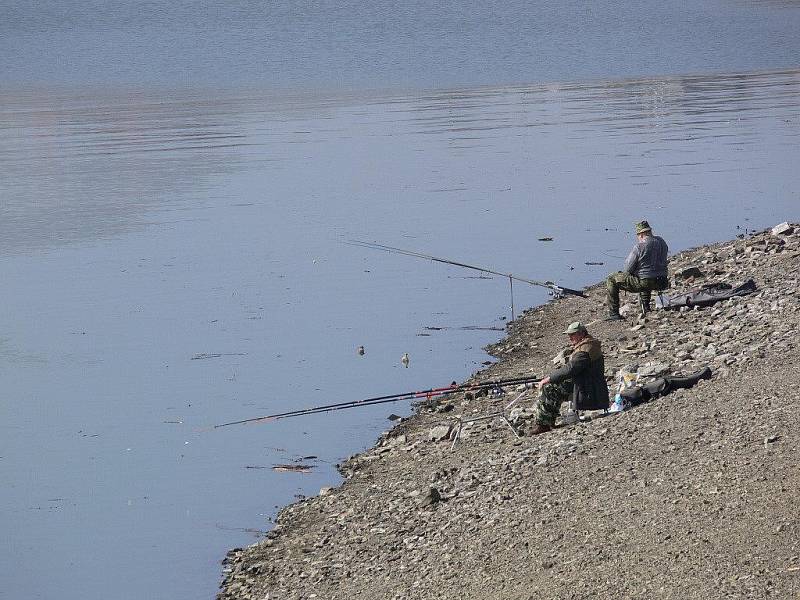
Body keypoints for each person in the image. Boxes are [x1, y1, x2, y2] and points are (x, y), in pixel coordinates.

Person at [530, 322, 609, 434]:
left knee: (549, 388)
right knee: (554, 385)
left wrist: (549, 378)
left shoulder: (586, 349)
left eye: (572, 334)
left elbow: (571, 369)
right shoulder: (588, 344)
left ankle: (543, 424)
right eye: (569, 335)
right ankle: (547, 421)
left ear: (581, 334)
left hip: (588, 389)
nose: (570, 337)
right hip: (587, 383)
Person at [605, 220, 669, 320]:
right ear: (650, 231)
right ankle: (646, 307)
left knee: (611, 279)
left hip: (646, 282)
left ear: (641, 234)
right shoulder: (662, 242)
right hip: (662, 281)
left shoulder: (639, 246)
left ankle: (614, 314)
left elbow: (627, 268)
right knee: (644, 276)